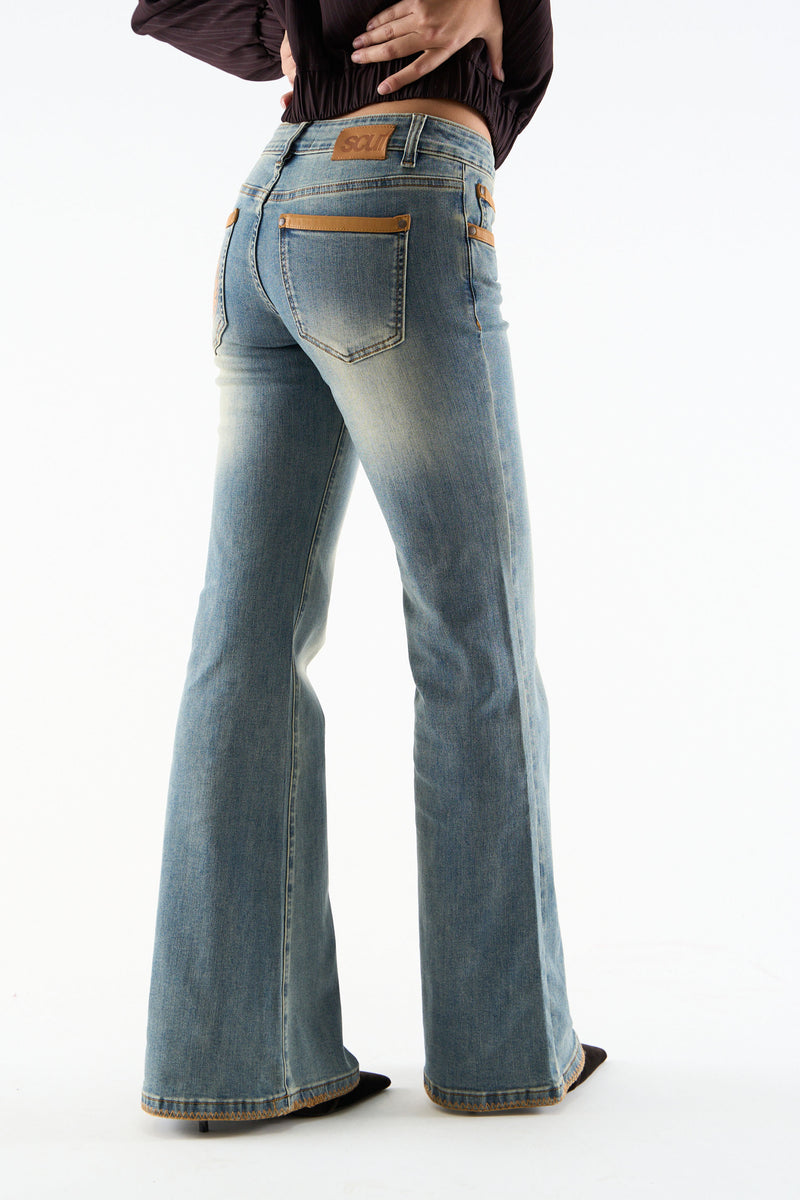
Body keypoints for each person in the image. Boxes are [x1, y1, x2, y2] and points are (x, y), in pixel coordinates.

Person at [130, 0, 606, 1129]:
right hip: (395, 191)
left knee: (243, 640)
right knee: (473, 635)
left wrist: (289, 26)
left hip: (267, 207)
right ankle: (503, 1053)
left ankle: (233, 1060)